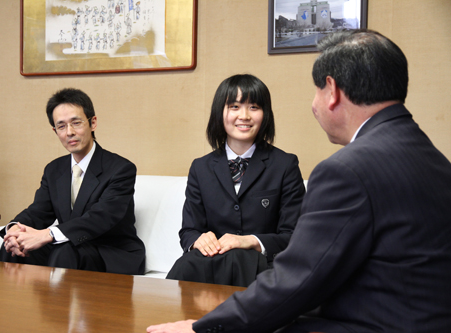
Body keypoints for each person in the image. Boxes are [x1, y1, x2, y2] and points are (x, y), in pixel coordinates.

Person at [147, 29, 451, 332]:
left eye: (316, 90)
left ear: (332, 91)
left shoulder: (347, 170)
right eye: (234, 107)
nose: (314, 103)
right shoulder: (433, 159)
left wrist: (202, 328)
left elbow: (297, 279)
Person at [166, 74, 305, 287]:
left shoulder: (285, 165)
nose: (244, 115)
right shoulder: (200, 167)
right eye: (234, 107)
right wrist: (198, 240)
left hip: (261, 266)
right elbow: (189, 230)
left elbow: (294, 235)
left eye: (254, 107)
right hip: (212, 263)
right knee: (184, 268)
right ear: (219, 113)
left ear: (265, 114)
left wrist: (248, 241)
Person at [0, 88, 145, 275]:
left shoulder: (120, 168)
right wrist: (15, 229)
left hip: (109, 252)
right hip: (71, 248)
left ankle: (56, 306)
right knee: (13, 247)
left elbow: (100, 218)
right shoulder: (54, 169)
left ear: (93, 123)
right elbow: (38, 211)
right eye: (61, 126)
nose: (70, 132)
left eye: (76, 123)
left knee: (65, 250)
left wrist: (47, 234)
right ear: (55, 130)